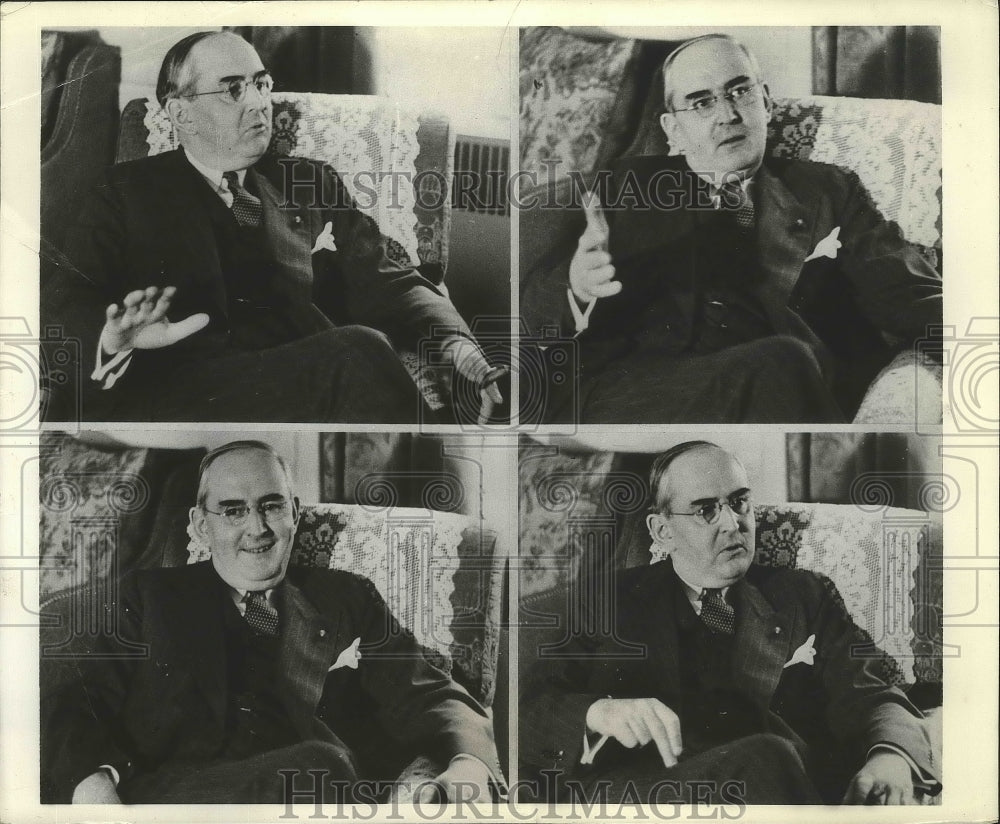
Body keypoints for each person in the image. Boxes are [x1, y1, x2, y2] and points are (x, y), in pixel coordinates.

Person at [42, 31, 502, 424]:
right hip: (178, 388)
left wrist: (454, 342)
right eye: (233, 89)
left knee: (358, 352)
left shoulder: (309, 180)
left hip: (290, 378)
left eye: (261, 84)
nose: (259, 103)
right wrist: (111, 340)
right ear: (180, 113)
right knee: (356, 353)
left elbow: (385, 275)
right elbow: (66, 303)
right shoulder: (123, 191)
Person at [42, 441, 502, 804]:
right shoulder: (147, 597)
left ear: (295, 514)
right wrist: (94, 792)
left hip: (312, 794)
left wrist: (469, 764)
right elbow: (74, 703)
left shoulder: (347, 596)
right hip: (178, 799)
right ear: (201, 525)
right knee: (320, 766)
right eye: (234, 510)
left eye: (271, 505)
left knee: (321, 767)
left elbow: (426, 689)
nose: (257, 528)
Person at [520, 34, 942, 423]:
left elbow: (905, 290)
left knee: (782, 360)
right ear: (674, 129)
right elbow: (530, 310)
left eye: (740, 91)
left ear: (766, 103)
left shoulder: (829, 190)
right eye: (701, 103)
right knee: (780, 362)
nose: (727, 114)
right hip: (640, 390)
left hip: (776, 388)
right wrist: (576, 286)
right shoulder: (625, 186)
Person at [520, 441, 940, 805]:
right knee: (767, 756)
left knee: (773, 756)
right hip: (653, 794)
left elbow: (869, 690)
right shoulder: (605, 601)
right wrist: (599, 712)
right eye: (705, 511)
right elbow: (532, 710)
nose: (732, 523)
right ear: (662, 530)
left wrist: (892, 756)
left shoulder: (804, 596)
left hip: (782, 787)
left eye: (739, 502)